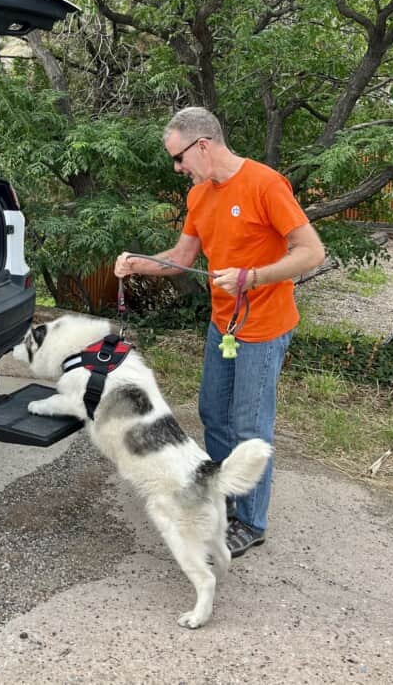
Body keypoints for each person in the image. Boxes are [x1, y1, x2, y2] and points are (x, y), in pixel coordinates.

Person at [114, 107, 325, 557]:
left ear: (203, 145)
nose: (178, 168)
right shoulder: (199, 196)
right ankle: (227, 498)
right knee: (212, 411)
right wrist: (136, 264)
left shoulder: (265, 184)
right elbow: (181, 257)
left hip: (263, 327)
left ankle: (251, 521)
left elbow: (312, 252)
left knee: (250, 424)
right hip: (222, 325)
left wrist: (253, 277)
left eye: (179, 157)